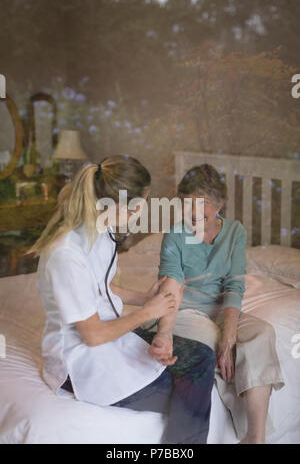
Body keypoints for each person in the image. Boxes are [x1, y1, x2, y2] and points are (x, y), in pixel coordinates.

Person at [28, 155, 216, 444]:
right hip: (80, 362)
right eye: (140, 204)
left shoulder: (99, 232)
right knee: (190, 386)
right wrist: (147, 313)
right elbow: (91, 336)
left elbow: (102, 288)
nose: (141, 211)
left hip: (112, 338)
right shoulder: (66, 254)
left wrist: (144, 299)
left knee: (201, 356)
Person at [153, 163, 285, 444]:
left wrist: (229, 335)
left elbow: (234, 285)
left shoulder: (235, 232)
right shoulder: (176, 235)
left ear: (220, 203)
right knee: (212, 345)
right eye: (187, 205)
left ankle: (255, 438)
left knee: (262, 334)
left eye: (202, 205)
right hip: (185, 309)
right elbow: (170, 285)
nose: (193, 213)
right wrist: (219, 340)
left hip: (221, 309)